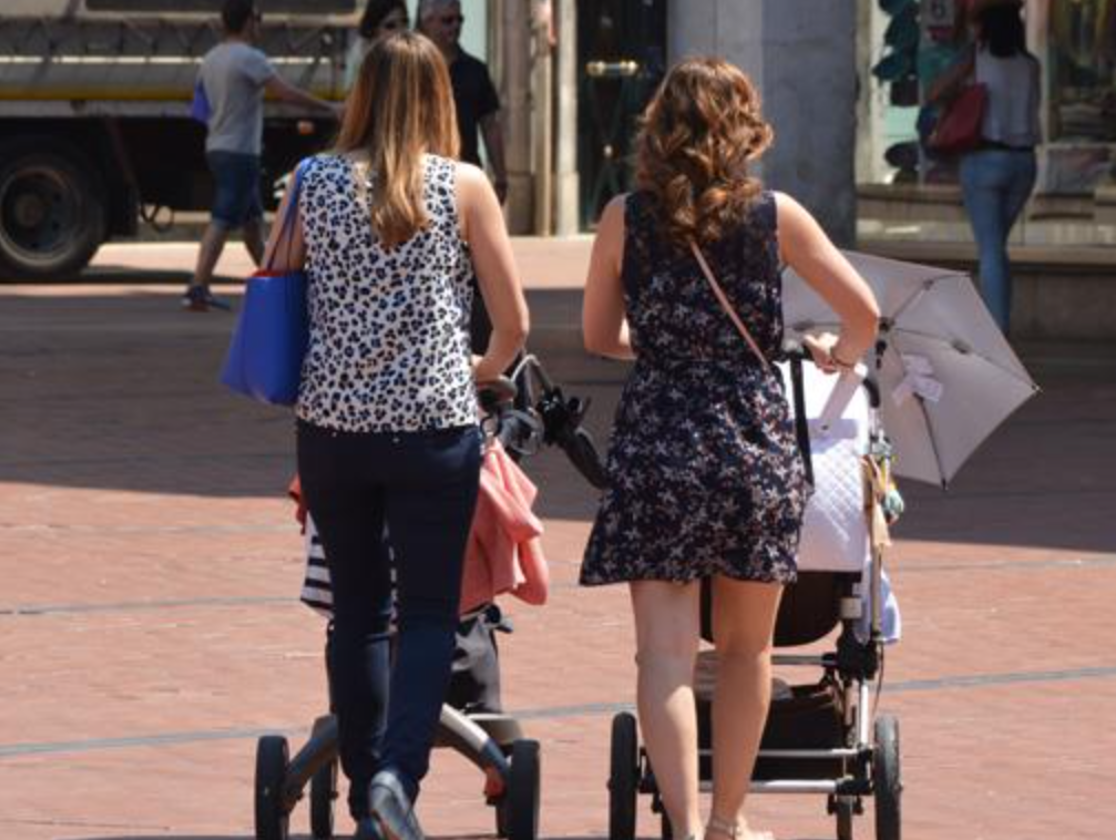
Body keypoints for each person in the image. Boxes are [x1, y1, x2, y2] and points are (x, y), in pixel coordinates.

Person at [579, 58, 879, 840]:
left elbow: (596, 337)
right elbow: (865, 314)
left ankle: (680, 827)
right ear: (741, 126)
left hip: (657, 439)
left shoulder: (623, 216)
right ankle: (727, 821)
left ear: (660, 126)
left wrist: (668, 340)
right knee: (748, 654)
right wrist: (833, 355)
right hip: (751, 442)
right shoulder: (776, 216)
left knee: (664, 659)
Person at [262, 31, 528, 840]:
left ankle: (360, 789)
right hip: (432, 427)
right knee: (426, 614)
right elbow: (513, 324)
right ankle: (393, 780)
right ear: (439, 98)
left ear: (362, 94)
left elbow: (275, 281)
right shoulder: (465, 186)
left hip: (334, 430)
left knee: (356, 614)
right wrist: (476, 370)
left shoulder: (313, 182)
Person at [184, 0, 340, 312]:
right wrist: (329, 108)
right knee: (223, 218)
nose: (260, 25)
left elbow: (200, 107)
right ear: (248, 22)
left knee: (253, 223)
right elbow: (285, 93)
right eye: (258, 18)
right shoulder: (250, 58)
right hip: (240, 150)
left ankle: (276, 283)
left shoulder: (211, 58)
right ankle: (197, 287)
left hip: (217, 145)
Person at [930, 0, 1040, 335]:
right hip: (1024, 163)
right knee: (995, 248)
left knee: (991, 250)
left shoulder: (977, 57)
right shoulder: (1031, 64)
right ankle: (993, 322)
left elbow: (934, 93)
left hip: (983, 161)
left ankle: (996, 333)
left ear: (986, 30)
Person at [417, 0, 508, 204]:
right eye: (447, 20)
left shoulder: (476, 70)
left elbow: (490, 125)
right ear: (427, 21)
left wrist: (501, 178)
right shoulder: (411, 69)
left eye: (459, 19)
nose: (455, 26)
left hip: (464, 177)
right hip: (419, 179)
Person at [346, 0, 411, 84]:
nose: (400, 31)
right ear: (374, 29)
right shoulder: (363, 57)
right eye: (390, 26)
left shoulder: (408, 54)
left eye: (404, 22)